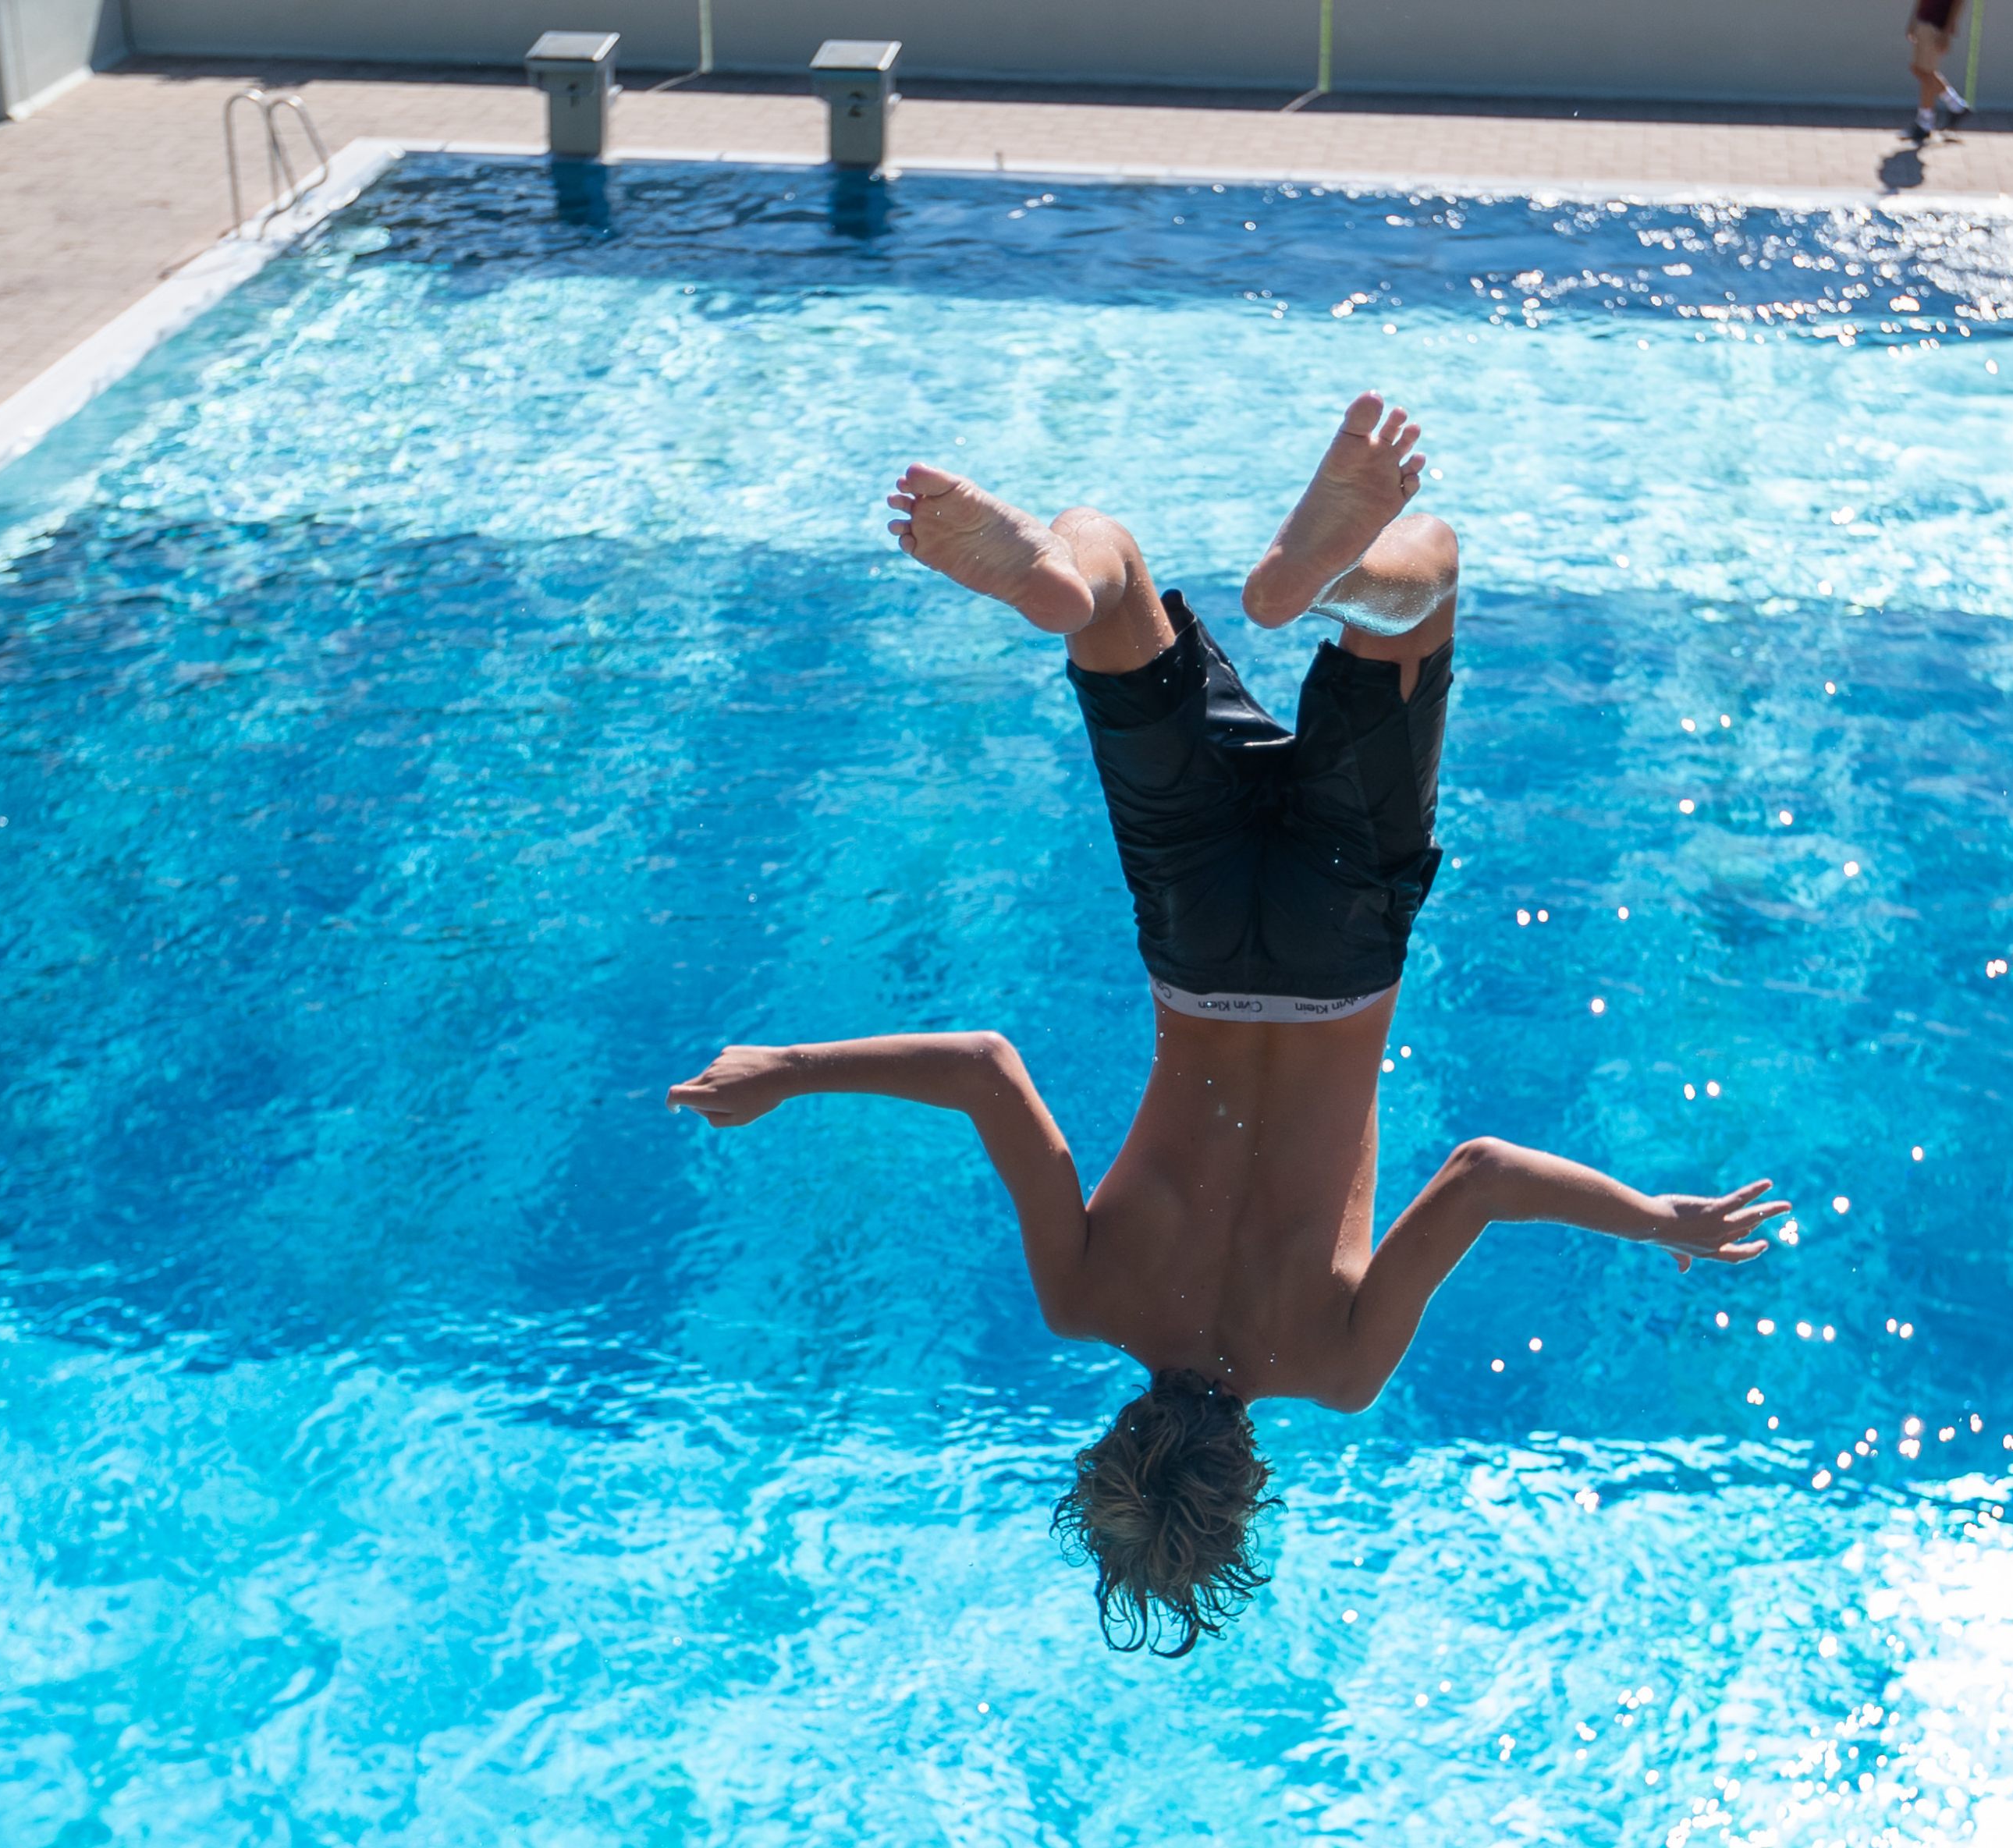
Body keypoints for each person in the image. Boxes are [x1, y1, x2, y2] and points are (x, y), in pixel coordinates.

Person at [669, 395, 1788, 1655]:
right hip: (1193, 940)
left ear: (1242, 1481)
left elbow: (1478, 1177)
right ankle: (1062, 572)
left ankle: (1339, 575)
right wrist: (784, 1068)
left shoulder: (1333, 1360)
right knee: (1113, 591)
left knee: (1418, 602)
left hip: (1340, 947)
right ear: (1114, 1446)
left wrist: (1656, 1217)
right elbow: (987, 1070)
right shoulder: (1084, 1294)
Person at [1906, 0, 1976, 142]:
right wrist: (1913, 20)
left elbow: (1958, 4)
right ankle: (1956, 105)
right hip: (1923, 21)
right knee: (1919, 69)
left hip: (1935, 26)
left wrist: (1946, 32)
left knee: (1926, 72)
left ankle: (1925, 122)